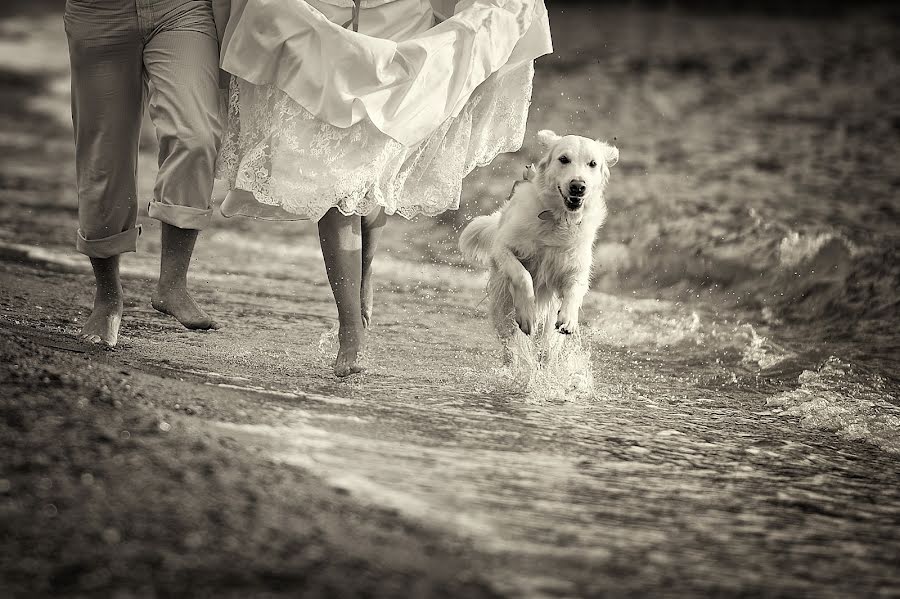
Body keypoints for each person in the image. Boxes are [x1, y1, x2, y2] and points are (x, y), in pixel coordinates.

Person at [214, 0, 552, 376]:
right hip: (324, 24)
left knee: (373, 174)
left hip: (399, 25)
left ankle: (365, 269)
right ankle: (350, 329)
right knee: (335, 181)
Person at [64, 0, 226, 347]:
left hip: (182, 9)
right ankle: (107, 299)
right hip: (97, 14)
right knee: (103, 161)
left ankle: (173, 284)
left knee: (195, 137)